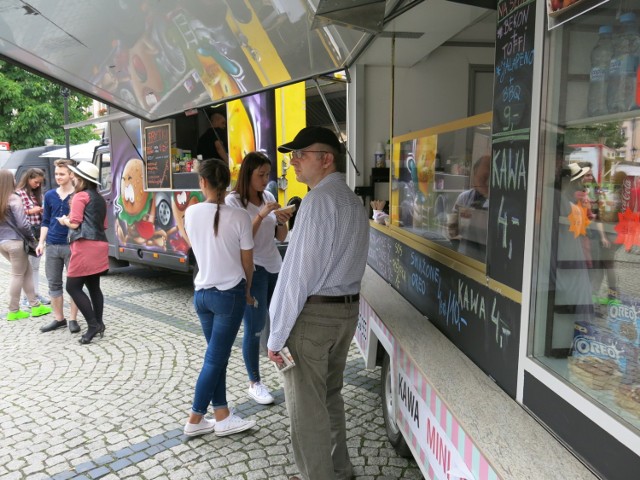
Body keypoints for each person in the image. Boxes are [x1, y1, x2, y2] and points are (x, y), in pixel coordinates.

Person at [267, 127, 369, 480]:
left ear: (326, 159)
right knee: (330, 396)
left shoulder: (316, 201)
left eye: (300, 154)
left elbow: (298, 275)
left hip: (314, 318)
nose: (293, 161)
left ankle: (318, 475)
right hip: (345, 312)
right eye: (292, 155)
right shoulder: (353, 201)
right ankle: (339, 469)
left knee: (306, 408)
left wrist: (276, 336)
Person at [183, 158, 257, 438]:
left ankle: (222, 414)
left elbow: (194, 244)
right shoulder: (240, 217)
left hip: (202, 295)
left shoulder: (191, 213)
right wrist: (248, 290)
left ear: (203, 182)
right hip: (229, 296)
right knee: (215, 358)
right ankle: (195, 418)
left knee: (217, 357)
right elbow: (247, 263)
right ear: (226, 182)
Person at [225, 152, 291, 405]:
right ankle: (254, 382)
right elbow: (241, 240)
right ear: (247, 174)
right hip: (253, 269)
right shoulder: (234, 202)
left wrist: (282, 220)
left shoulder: (269, 197)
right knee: (254, 326)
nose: (265, 180)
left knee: (282, 320)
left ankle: (283, 366)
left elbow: (281, 238)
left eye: (267, 174)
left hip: (275, 265)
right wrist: (262, 215)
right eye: (260, 175)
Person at [57, 162, 108, 344]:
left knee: (72, 287)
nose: (72, 177)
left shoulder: (80, 196)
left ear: (80, 179)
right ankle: (99, 323)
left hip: (84, 245)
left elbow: (75, 223)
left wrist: (64, 220)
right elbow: (104, 225)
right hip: (100, 244)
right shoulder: (100, 198)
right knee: (94, 286)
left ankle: (93, 325)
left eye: (74, 176)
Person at [0, 169, 52, 321]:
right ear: (10, 181)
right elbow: (23, 224)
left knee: (27, 272)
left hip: (2, 243)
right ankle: (14, 310)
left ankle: (35, 306)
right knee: (17, 275)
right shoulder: (14, 199)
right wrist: (32, 239)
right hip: (16, 243)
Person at [37, 159, 80, 334]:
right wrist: (41, 243)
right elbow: (45, 221)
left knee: (74, 284)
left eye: (62, 173)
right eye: (56, 174)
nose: (58, 177)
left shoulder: (78, 195)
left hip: (72, 245)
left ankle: (73, 319)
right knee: (53, 283)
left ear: (71, 175)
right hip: (52, 244)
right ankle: (59, 319)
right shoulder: (49, 195)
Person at [15, 168, 50, 306]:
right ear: (28, 179)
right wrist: (31, 210)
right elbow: (13, 212)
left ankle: (34, 294)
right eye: (36, 182)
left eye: (40, 183)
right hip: (26, 232)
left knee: (35, 266)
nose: (38, 185)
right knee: (27, 267)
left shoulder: (37, 194)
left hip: (37, 231)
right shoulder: (19, 193)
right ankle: (27, 297)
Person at [450, 154, 490, 261]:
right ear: (475, 175)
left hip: (487, 262)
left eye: (491, 177)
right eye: (484, 177)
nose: (486, 183)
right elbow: (452, 231)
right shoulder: (464, 198)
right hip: (465, 258)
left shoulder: (498, 202)